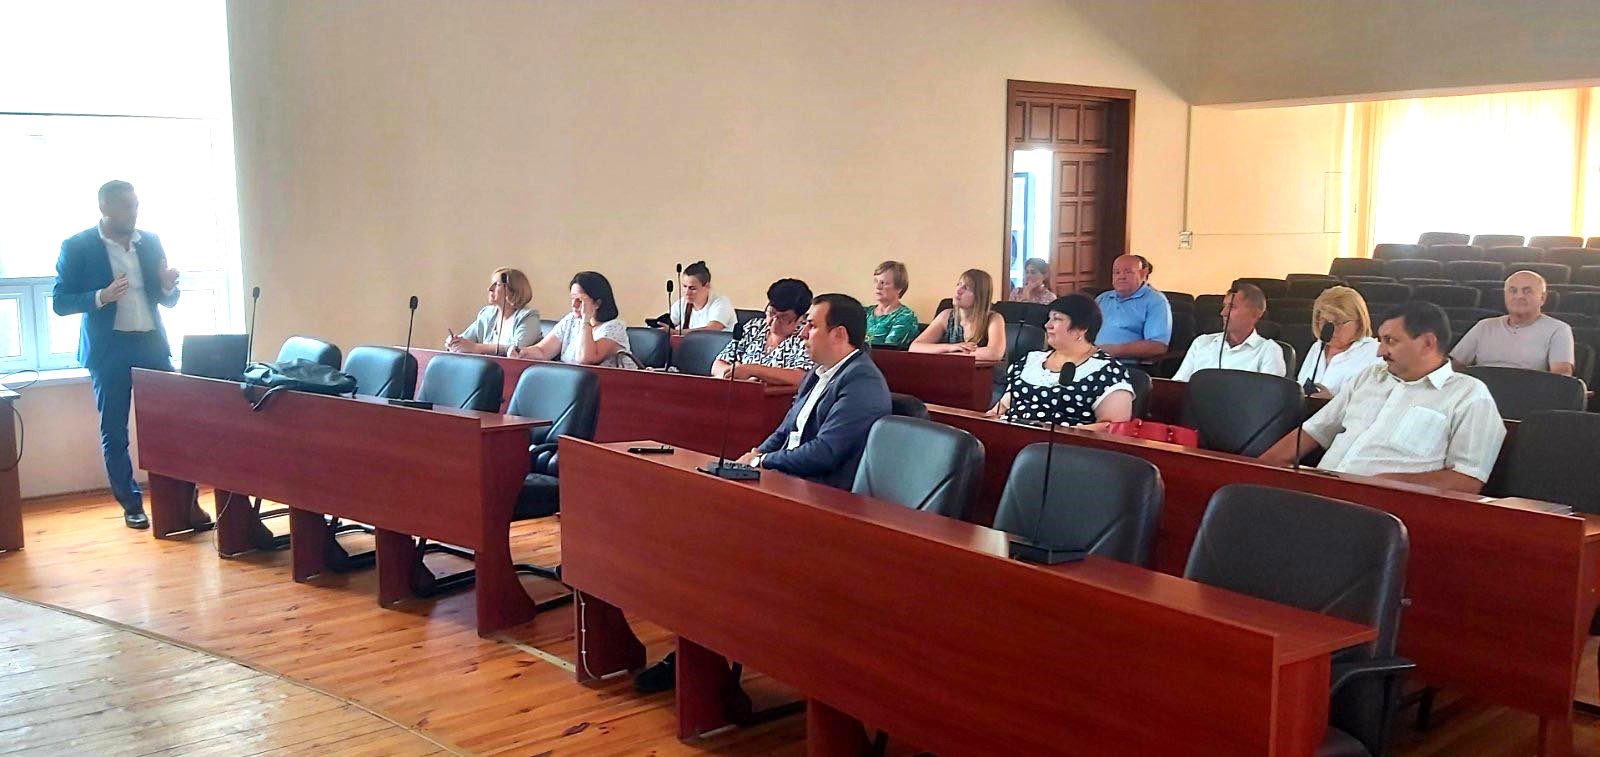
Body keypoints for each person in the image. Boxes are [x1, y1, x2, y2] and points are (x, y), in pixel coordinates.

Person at [637, 294, 890, 695]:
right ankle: (697, 654)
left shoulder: (862, 383)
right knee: (700, 530)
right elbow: (786, 430)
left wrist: (763, 463)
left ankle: (709, 658)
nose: (803, 334)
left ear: (839, 334)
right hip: (788, 486)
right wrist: (755, 453)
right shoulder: (818, 373)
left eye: (812, 326)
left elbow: (825, 453)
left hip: (823, 502)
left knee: (724, 546)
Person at [1259, 301, 1505, 494]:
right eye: (1380, 340)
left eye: (1390, 341)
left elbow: (1468, 480)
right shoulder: (1370, 377)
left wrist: (1387, 484)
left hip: (1388, 512)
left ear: (1428, 343)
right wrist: (1255, 473)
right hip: (1320, 494)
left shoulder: (1469, 396)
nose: (1380, 351)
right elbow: (1313, 432)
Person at [52, 180, 183, 529]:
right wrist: (101, 297)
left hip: (151, 346)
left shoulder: (150, 241)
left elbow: (167, 299)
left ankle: (180, 503)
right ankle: (131, 504)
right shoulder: (77, 246)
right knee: (115, 430)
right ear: (105, 208)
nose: (133, 212)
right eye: (126, 206)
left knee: (172, 425)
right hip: (109, 350)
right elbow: (60, 301)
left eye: (136, 205)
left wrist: (168, 285)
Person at [987, 294, 1134, 428]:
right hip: (1009, 437)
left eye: (1057, 319)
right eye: (1049, 318)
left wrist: (1062, 433)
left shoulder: (1108, 371)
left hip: (1065, 446)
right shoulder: (1030, 360)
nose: (1047, 325)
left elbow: (1112, 428)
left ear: (1081, 328)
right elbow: (1000, 408)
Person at [1450, 270, 1575, 375]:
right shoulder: (1484, 326)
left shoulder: (1558, 329)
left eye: (1527, 291)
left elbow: (1561, 376)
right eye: (1513, 291)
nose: (1519, 296)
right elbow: (1453, 366)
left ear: (1542, 298)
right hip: (1482, 393)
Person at [511, 271, 635, 367]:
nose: (574, 305)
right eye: (572, 299)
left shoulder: (614, 328)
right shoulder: (571, 320)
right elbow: (542, 351)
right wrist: (522, 352)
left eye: (579, 300)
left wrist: (586, 320)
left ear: (597, 303)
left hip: (613, 388)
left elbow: (586, 359)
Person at [1170, 283, 1286, 381]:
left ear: (1256, 313)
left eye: (1231, 307)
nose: (1223, 313)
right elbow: (1178, 385)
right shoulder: (1201, 343)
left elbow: (1269, 396)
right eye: (1224, 306)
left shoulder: (1268, 350)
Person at [711, 278, 815, 386]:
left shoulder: (806, 336)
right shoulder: (755, 327)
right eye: (771, 312)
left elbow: (800, 377)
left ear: (800, 318)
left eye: (784, 318)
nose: (774, 322)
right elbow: (718, 364)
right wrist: (734, 377)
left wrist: (752, 370)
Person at [1297, 285, 1382, 397]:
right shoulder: (1317, 347)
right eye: (1324, 321)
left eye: (1339, 322)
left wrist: (1332, 402)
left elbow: (1374, 402)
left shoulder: (1376, 354)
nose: (1331, 329)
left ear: (1359, 322)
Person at [910, 269, 1007, 362]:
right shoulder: (946, 315)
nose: (958, 290)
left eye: (966, 288)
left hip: (982, 372)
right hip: (953, 371)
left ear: (980, 295)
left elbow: (994, 353)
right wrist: (950, 347)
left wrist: (952, 355)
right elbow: (915, 347)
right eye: (959, 284)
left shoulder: (994, 319)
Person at [445, 267, 541, 356]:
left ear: (513, 291)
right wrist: (455, 342)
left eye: (497, 285)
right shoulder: (487, 313)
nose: (490, 289)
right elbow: (467, 339)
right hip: (487, 367)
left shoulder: (529, 316)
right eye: (491, 284)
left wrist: (476, 348)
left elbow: (517, 349)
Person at [1094, 254, 1171, 363]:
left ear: (1143, 274)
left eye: (1128, 272)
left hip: (1123, 364)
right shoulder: (1103, 298)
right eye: (1116, 272)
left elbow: (1158, 346)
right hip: (1090, 360)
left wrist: (1113, 350)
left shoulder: (1155, 301)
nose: (1121, 276)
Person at [659, 260, 735, 333]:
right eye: (684, 286)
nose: (687, 292)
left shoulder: (721, 302)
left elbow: (712, 329)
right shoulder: (682, 303)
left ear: (707, 286)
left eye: (692, 288)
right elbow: (666, 323)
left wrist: (676, 332)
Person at [865, 261, 918, 348]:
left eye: (883, 283)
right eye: (876, 281)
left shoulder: (906, 316)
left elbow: (888, 350)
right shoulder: (864, 312)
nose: (877, 287)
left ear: (899, 288)